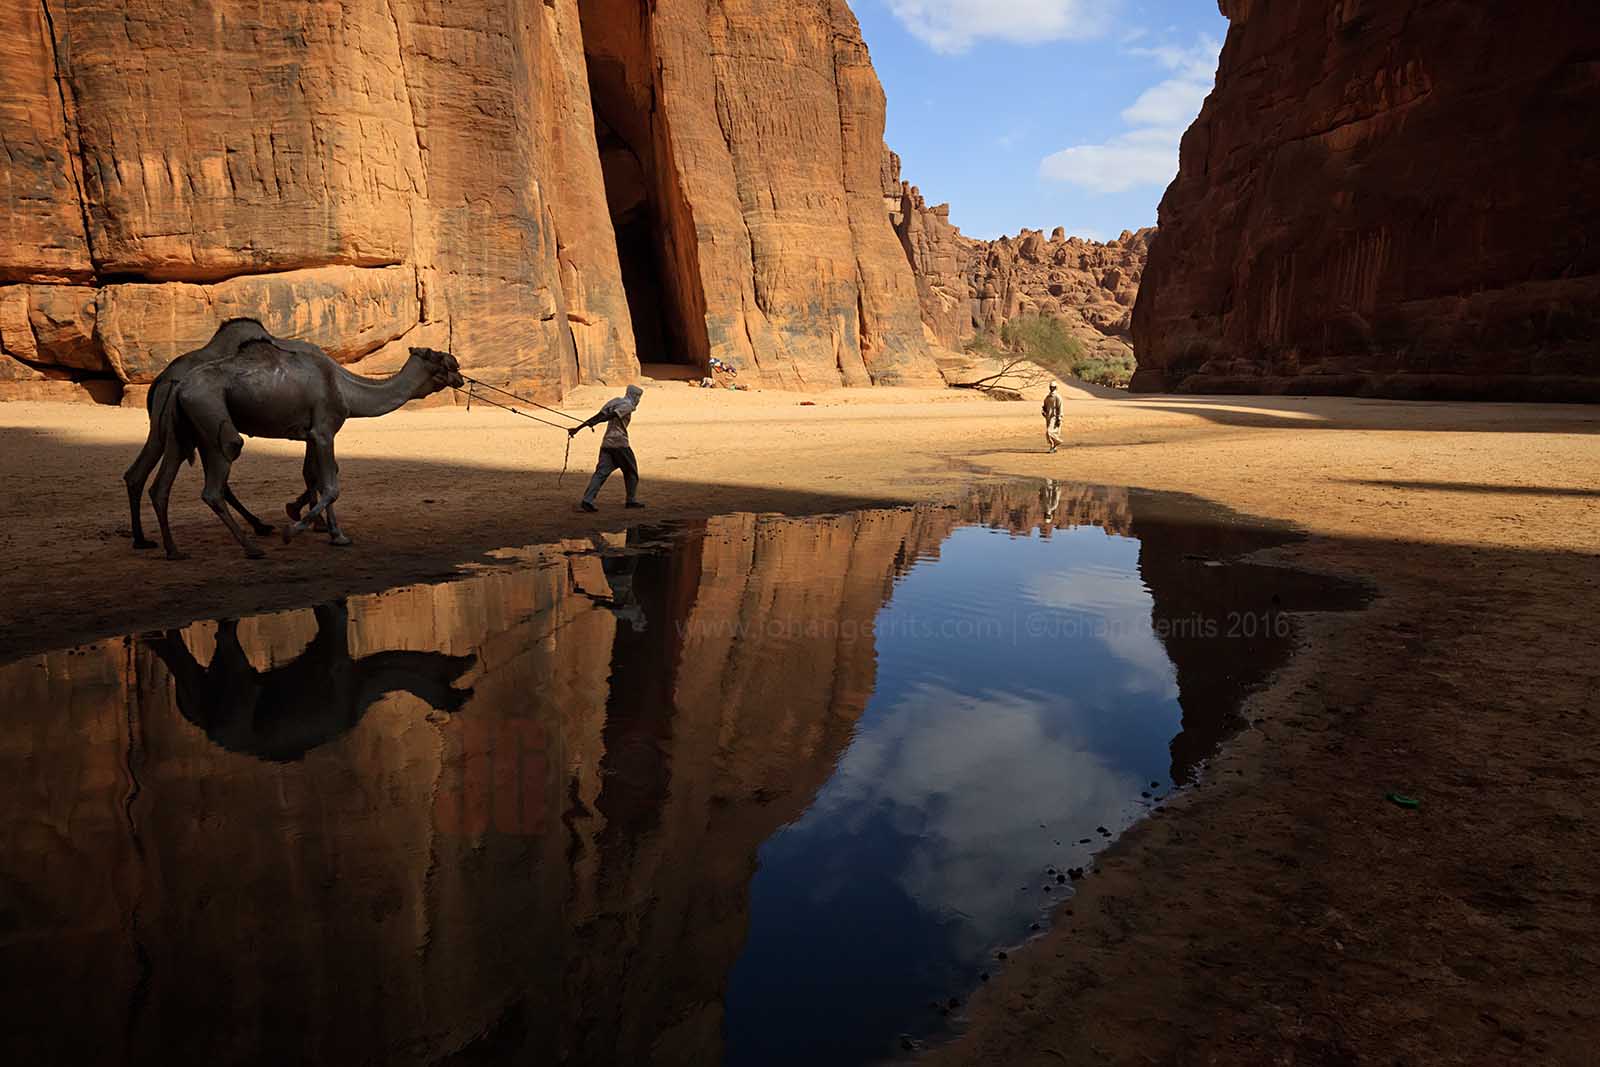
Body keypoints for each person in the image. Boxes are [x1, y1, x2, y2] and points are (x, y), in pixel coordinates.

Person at [570, 384, 645, 512]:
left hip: (607, 444)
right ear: (635, 396)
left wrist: (578, 428)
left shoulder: (615, 401)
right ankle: (631, 500)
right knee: (631, 472)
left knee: (600, 473)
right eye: (639, 397)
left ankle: (587, 501)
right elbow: (612, 416)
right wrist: (595, 422)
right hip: (620, 443)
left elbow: (598, 416)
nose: (638, 400)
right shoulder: (628, 405)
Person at [1042, 381, 1063, 452]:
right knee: (1050, 433)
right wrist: (1043, 411)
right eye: (1050, 387)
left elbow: (1060, 408)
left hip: (1055, 417)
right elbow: (1044, 406)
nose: (1051, 388)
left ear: (1056, 387)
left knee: (1049, 432)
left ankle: (1058, 441)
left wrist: (1059, 418)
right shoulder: (1047, 397)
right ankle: (1053, 447)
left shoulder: (1058, 397)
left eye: (1053, 387)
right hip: (1048, 417)